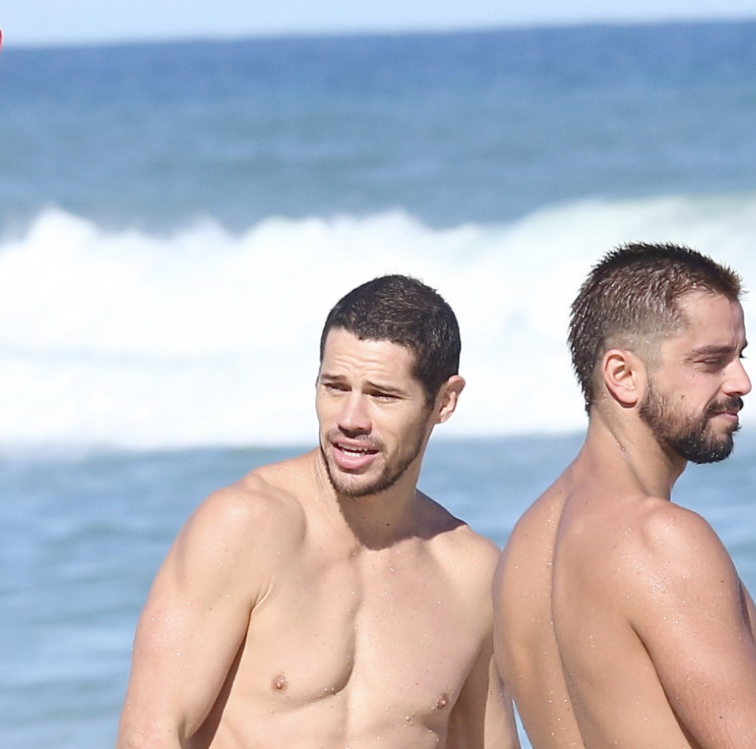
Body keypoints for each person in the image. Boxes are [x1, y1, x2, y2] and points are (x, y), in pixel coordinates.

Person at [118, 275, 519, 749]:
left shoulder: (471, 576)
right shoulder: (245, 527)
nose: (350, 419)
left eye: (382, 395)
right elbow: (151, 733)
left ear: (444, 401)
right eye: (334, 386)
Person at [493, 243, 756, 749]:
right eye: (711, 361)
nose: (741, 381)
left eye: (739, 356)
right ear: (623, 375)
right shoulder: (659, 538)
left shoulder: (524, 547)